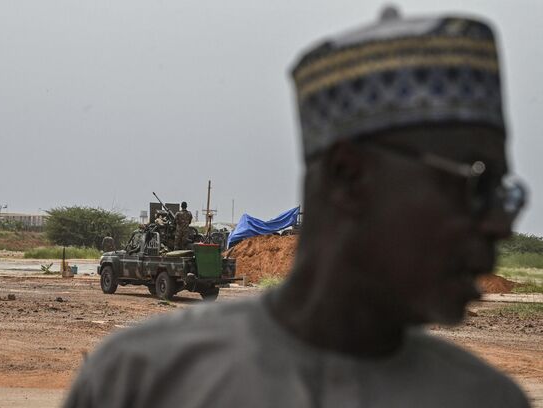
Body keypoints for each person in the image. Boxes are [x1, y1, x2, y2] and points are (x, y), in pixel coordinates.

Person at [64, 8, 530, 407]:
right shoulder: (139, 382)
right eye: (474, 183)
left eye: (506, 193)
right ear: (350, 177)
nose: (498, 224)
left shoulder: (484, 398)